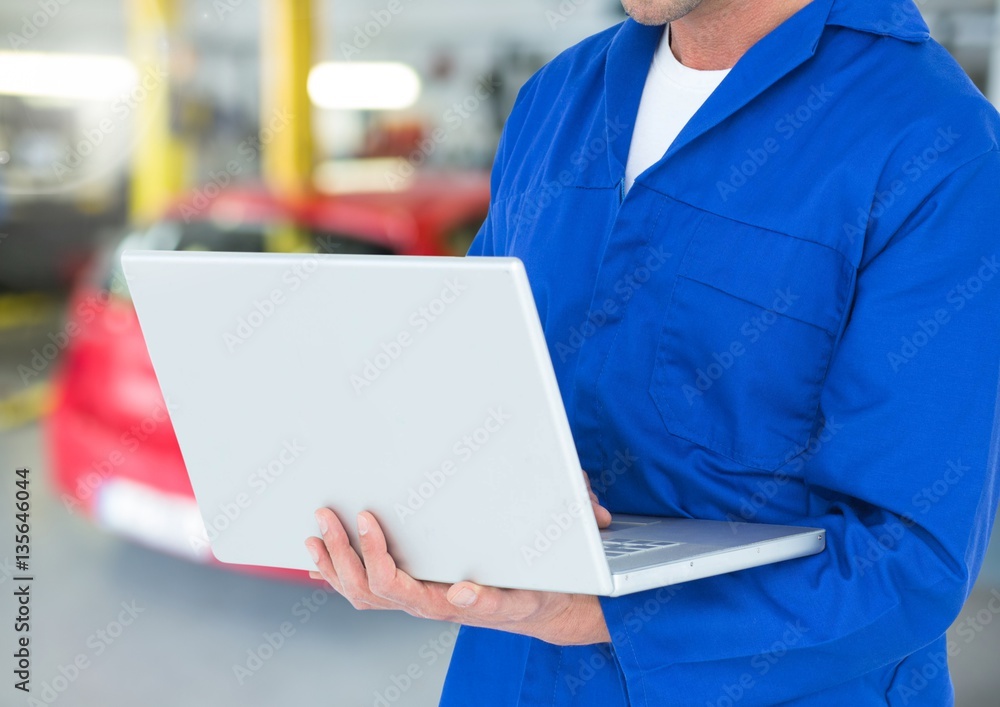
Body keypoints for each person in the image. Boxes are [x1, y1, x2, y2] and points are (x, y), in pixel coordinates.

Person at [304, 0, 1000, 703]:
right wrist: (419, 505)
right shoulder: (558, 99)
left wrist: (598, 613)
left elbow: (912, 560)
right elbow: (468, 381)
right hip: (510, 676)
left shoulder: (936, 144)